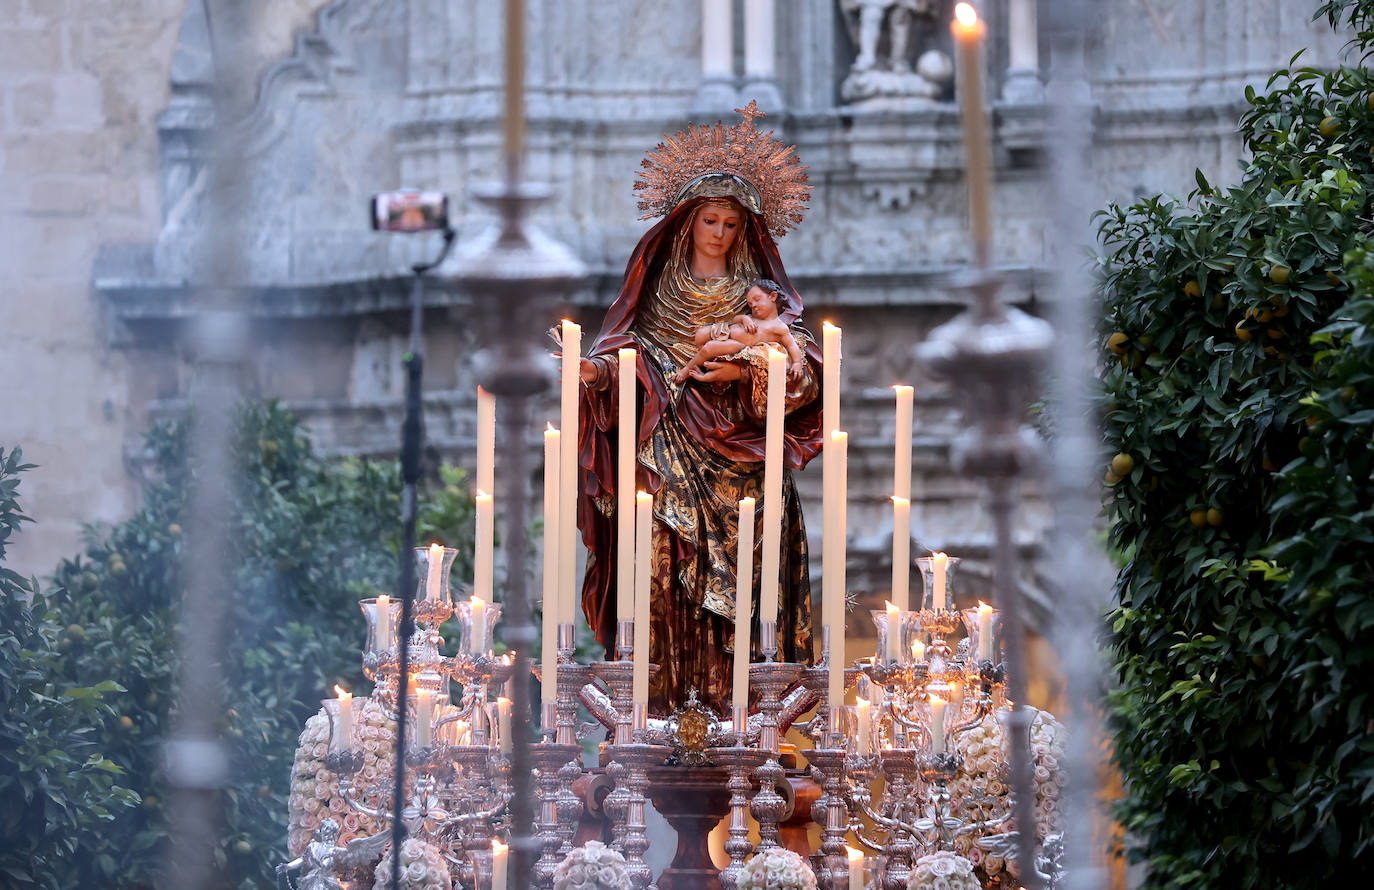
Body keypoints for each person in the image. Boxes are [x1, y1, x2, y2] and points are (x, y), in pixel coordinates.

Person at [573, 105, 822, 714]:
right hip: (666, 451)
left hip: (747, 464)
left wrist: (749, 368)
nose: (719, 232)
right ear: (687, 224)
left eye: (732, 224)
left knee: (749, 589)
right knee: (659, 569)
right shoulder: (656, 293)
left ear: (746, 230)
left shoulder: (763, 300)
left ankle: (743, 710)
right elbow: (628, 353)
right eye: (709, 219)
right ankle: (663, 703)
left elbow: (806, 374)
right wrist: (597, 374)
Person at [672, 279, 805, 384]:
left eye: (757, 300)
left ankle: (686, 370)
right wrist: (745, 319)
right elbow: (736, 319)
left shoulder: (779, 327)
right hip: (725, 331)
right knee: (700, 335)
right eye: (750, 304)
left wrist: (797, 363)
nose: (754, 306)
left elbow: (791, 345)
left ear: (773, 296)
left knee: (709, 347)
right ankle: (706, 359)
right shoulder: (752, 317)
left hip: (738, 345)